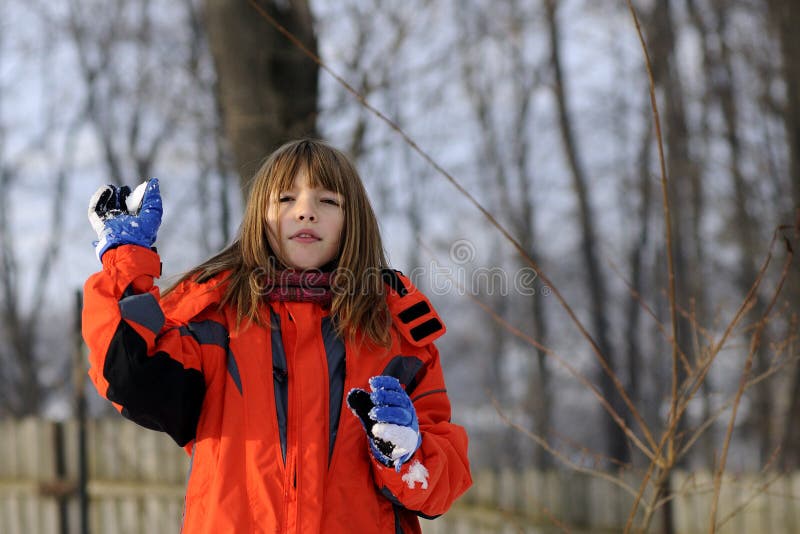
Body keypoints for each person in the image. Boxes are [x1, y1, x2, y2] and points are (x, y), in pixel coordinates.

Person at [82, 138, 472, 533]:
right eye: (286, 199)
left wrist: (407, 456)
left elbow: (438, 489)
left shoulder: (395, 334)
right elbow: (129, 375)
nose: (305, 212)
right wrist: (126, 263)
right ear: (259, 217)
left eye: (328, 201)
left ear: (353, 220)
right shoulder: (212, 323)